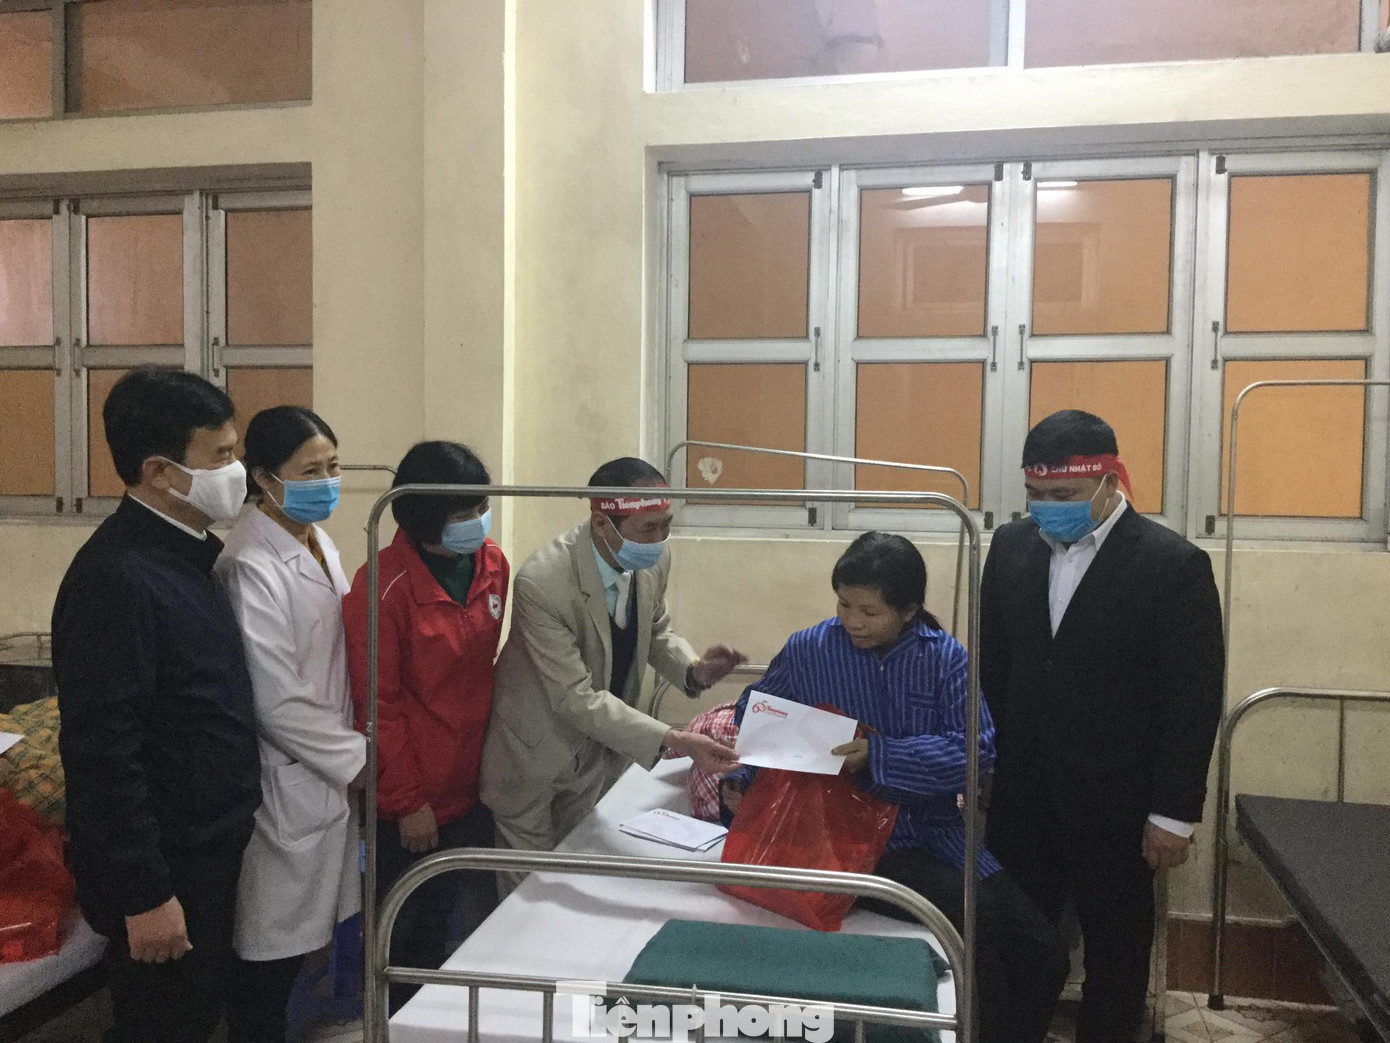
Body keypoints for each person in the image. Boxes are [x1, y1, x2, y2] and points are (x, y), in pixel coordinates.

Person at [720, 532, 1068, 1043]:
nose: (853, 621)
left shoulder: (944, 659)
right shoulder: (810, 650)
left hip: (935, 831)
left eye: (869, 611)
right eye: (843, 604)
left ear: (909, 611)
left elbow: (976, 751)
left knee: (1045, 952)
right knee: (983, 923)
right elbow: (760, 717)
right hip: (846, 839)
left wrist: (879, 756)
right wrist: (741, 780)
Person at [981, 410, 1224, 1043]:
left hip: (1119, 808)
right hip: (1024, 798)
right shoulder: (1010, 549)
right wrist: (984, 765)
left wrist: (1174, 815)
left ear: (1110, 482)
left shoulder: (1173, 566)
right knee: (1018, 948)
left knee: (1116, 957)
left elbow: (1192, 699)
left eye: (1062, 495)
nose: (1046, 508)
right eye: (1035, 494)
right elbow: (994, 671)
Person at [51, 369, 260, 1043]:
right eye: (220, 456)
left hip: (207, 847)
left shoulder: (191, 556)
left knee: (195, 1016)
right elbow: (102, 753)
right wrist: (144, 893)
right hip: (166, 865)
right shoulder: (118, 578)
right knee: (163, 1024)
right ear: (160, 472)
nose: (236, 471)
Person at [480, 457, 747, 887]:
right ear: (602, 523)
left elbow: (655, 629)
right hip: (534, 756)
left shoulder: (652, 560)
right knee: (527, 895)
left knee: (580, 878)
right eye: (648, 528)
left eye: (666, 526)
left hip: (597, 753)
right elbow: (575, 696)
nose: (659, 540)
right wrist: (674, 739)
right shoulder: (543, 581)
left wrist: (693, 670)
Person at [214, 407, 365, 1041]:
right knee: (266, 959)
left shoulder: (317, 541)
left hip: (325, 772)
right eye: (309, 471)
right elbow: (274, 699)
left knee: (309, 945)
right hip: (286, 780)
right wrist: (358, 760)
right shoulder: (248, 563)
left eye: (333, 467)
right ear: (263, 478)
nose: (326, 482)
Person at [343, 441, 509, 1013]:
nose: (477, 522)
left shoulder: (492, 565)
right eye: (463, 514)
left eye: (481, 507)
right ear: (422, 518)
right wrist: (406, 801)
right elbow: (377, 705)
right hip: (412, 798)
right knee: (401, 932)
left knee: (446, 925)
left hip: (472, 779)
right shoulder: (382, 587)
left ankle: (432, 1022)